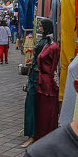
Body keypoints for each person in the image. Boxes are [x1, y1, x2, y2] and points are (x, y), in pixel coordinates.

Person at [21, 18, 55, 148]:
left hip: (38, 78)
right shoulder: (45, 41)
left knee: (32, 105)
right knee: (32, 105)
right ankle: (32, 134)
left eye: (41, 26)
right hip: (35, 77)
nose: (39, 28)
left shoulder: (47, 43)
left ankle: (32, 135)